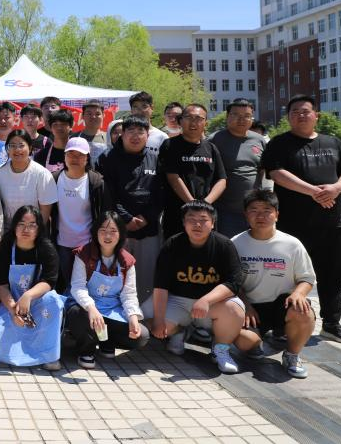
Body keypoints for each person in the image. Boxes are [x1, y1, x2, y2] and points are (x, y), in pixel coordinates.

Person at [261, 95, 341, 344]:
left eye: (305, 111)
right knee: (287, 277)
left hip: (331, 224)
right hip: (293, 225)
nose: (300, 115)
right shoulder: (279, 143)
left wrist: (335, 189)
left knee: (333, 275)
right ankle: (282, 324)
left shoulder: (333, 142)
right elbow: (276, 174)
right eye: (294, 112)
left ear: (317, 115)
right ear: (288, 117)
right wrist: (314, 192)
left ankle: (331, 324)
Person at [150, 201, 245, 374]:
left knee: (235, 309)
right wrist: (158, 320)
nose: (197, 224)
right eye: (191, 219)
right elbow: (160, 285)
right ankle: (179, 331)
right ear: (183, 222)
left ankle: (220, 350)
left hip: (213, 304)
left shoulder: (224, 245)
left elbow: (234, 283)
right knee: (149, 320)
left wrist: (206, 300)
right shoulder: (172, 244)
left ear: (213, 223)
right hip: (178, 300)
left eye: (203, 219)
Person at [232, 189, 316, 378]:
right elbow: (230, 282)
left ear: (277, 214)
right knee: (244, 340)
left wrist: (298, 293)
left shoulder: (292, 244)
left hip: (282, 304)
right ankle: (256, 345)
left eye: (267, 210)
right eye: (254, 210)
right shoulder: (235, 244)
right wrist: (245, 305)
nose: (260, 216)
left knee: (303, 311)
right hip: (251, 307)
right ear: (245, 214)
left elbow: (307, 278)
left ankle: (292, 354)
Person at [68, 212, 149, 369]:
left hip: (112, 309)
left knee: (142, 335)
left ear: (121, 234)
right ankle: (86, 350)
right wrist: (91, 308)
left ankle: (107, 341)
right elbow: (78, 287)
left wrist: (133, 317)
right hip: (86, 307)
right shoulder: (83, 254)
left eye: (113, 231)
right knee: (78, 315)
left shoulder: (127, 261)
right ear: (95, 232)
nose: (107, 236)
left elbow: (129, 294)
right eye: (103, 230)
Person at [95, 116, 163, 303]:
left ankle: (143, 312)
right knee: (116, 275)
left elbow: (161, 193)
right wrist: (126, 219)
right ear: (122, 134)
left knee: (147, 277)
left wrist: (146, 217)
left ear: (147, 135)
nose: (135, 136)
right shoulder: (107, 159)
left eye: (141, 131)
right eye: (130, 131)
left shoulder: (155, 159)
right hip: (116, 229)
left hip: (148, 228)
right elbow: (107, 193)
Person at [0, 206, 63, 370]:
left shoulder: (47, 249)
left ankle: (49, 356)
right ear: (14, 226)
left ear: (39, 228)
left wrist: (28, 296)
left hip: (37, 301)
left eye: (32, 225)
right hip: (10, 301)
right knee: (5, 355)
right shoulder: (5, 250)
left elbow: (49, 281)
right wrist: (13, 310)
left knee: (53, 300)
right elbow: (1, 285)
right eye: (21, 224)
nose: (26, 229)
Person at [51, 137, 112, 291]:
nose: (75, 158)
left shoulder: (96, 182)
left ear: (87, 158)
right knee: (67, 285)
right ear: (64, 156)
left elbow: (105, 213)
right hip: (62, 243)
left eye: (80, 155)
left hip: (88, 244)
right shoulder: (54, 179)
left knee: (86, 286)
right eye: (71, 154)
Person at [158, 104, 227, 239]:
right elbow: (172, 177)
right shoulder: (170, 145)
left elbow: (222, 179)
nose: (193, 122)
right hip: (178, 212)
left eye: (199, 118)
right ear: (180, 121)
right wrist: (192, 204)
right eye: (189, 118)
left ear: (205, 123)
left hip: (206, 213)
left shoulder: (211, 148)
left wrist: (205, 203)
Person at [209, 98, 266, 238]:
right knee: (229, 246)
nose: (242, 119)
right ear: (227, 116)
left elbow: (262, 169)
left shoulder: (259, 140)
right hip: (225, 211)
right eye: (236, 115)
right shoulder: (214, 140)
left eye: (247, 116)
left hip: (254, 210)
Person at [0, 130, 57, 242]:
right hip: (7, 233)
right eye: (12, 145)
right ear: (7, 149)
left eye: (21, 145)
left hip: (33, 234)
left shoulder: (42, 174)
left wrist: (34, 233)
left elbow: (45, 211)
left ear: (30, 148)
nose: (17, 149)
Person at [35, 109, 72, 174]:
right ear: (51, 128)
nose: (59, 128)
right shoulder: (41, 155)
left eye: (63, 124)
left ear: (71, 126)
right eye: (55, 124)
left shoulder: (78, 154)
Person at [72, 101, 108, 165]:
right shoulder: (73, 138)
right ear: (82, 116)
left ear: (103, 115)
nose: (93, 117)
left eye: (97, 114)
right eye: (89, 114)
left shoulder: (109, 138)